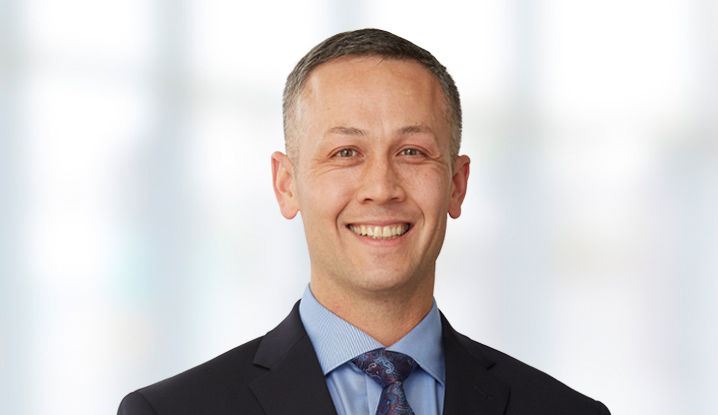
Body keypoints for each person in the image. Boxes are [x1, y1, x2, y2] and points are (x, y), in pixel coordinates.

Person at [118, 28, 609, 415]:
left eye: (413, 152)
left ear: (457, 184)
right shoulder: (172, 411)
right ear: (286, 184)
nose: (381, 186)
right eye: (346, 152)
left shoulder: (565, 411)